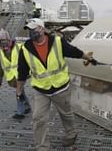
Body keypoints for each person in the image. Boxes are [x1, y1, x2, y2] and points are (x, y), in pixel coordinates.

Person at [16, 18, 97, 150]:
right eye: (29, 30)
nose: (31, 32)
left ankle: (71, 135)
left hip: (61, 88)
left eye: (33, 29)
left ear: (41, 29)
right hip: (41, 89)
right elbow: (22, 71)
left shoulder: (57, 42)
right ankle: (42, 147)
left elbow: (74, 52)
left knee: (66, 115)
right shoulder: (25, 48)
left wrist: (89, 58)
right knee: (38, 119)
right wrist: (18, 91)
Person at [0, 29, 31, 119]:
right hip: (12, 77)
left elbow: (29, 59)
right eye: (2, 43)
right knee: (21, 91)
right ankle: (27, 106)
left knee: (18, 93)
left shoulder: (19, 47)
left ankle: (20, 112)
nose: (5, 45)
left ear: (10, 40)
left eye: (6, 42)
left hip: (21, 74)